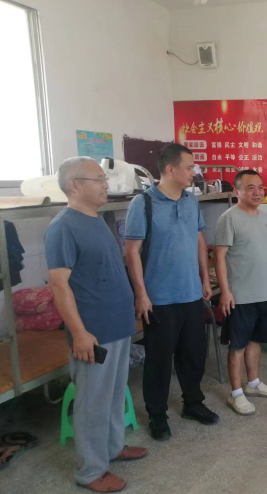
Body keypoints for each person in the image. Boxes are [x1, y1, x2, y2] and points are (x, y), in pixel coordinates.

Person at [47, 157, 147, 493]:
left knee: (115, 394)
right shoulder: (63, 227)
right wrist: (79, 333)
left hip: (117, 324)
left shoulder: (97, 219)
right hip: (93, 332)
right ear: (75, 185)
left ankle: (113, 447)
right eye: (99, 179)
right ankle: (90, 471)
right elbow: (59, 285)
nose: (107, 185)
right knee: (92, 403)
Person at [125, 143, 218, 442]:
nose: (194, 173)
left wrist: (205, 278)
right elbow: (132, 251)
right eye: (189, 167)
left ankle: (193, 403)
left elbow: (199, 240)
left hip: (191, 293)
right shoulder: (143, 203)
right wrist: (141, 294)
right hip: (160, 298)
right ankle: (157, 414)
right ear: (170, 169)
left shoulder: (191, 201)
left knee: (194, 354)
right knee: (159, 360)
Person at [214, 170, 267, 415]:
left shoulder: (263, 218)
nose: (257, 192)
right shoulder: (229, 218)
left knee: (256, 341)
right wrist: (225, 292)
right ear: (237, 192)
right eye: (250, 187)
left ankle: (253, 383)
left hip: (263, 293)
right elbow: (219, 257)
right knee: (238, 345)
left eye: (260, 187)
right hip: (240, 296)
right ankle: (236, 394)